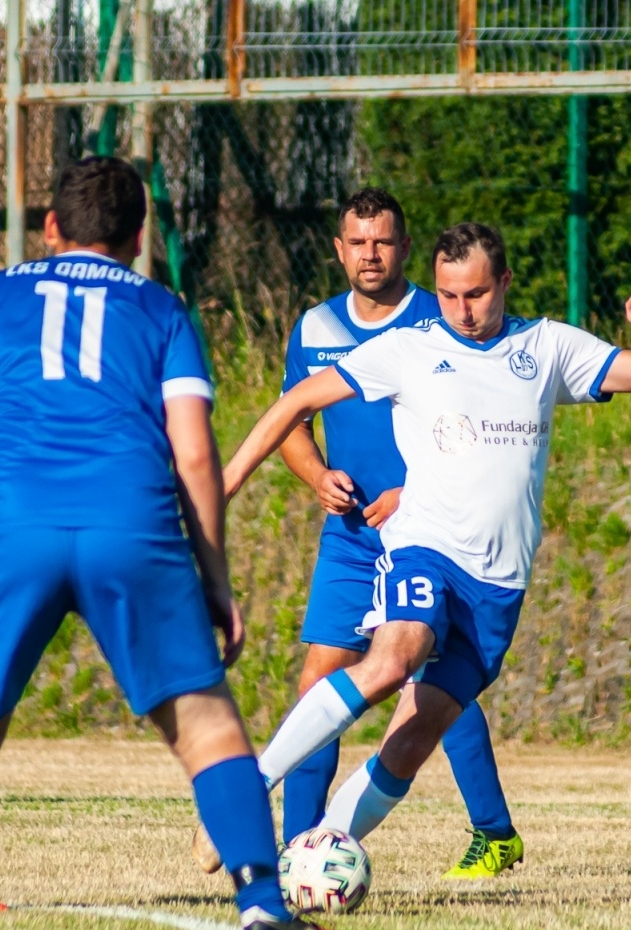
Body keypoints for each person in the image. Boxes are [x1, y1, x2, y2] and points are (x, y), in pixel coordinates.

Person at [0, 157, 364, 930]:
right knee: (204, 727)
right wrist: (216, 577)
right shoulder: (160, 308)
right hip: (132, 522)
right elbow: (194, 453)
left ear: (49, 228)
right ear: (137, 239)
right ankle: (265, 907)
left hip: (11, 526)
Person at [220, 222, 631, 846]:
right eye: (447, 295)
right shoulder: (407, 349)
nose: (462, 310)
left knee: (414, 737)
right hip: (424, 549)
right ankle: (249, 792)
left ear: (506, 283)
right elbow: (294, 403)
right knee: (392, 661)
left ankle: (319, 850)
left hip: (499, 585)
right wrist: (224, 484)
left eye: (476, 294)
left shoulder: (547, 347)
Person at [195, 188, 523, 881]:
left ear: (405, 249)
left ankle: (492, 829)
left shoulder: (444, 315)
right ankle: (298, 847)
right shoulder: (315, 327)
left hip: (428, 529)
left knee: (424, 679)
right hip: (350, 535)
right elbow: (293, 418)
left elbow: (478, 425)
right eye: (357, 242)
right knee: (324, 675)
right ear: (338, 250)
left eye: (383, 242)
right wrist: (316, 475)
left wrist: (415, 488)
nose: (370, 254)